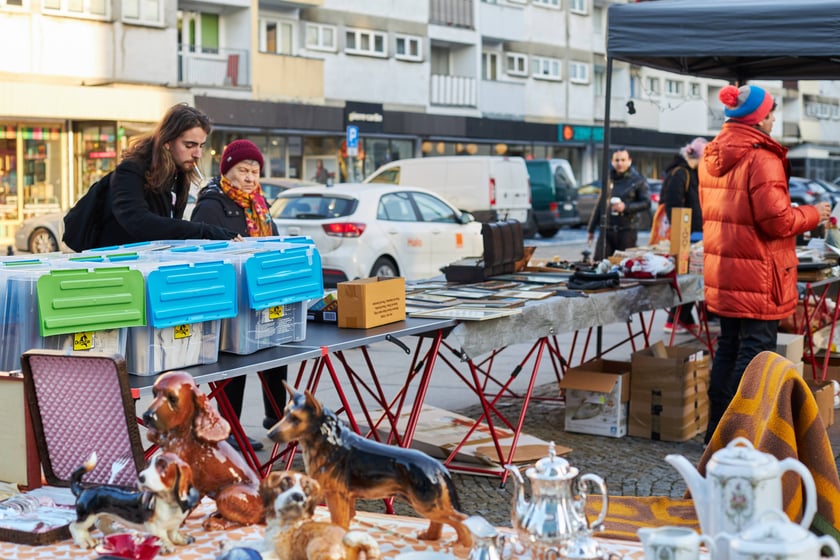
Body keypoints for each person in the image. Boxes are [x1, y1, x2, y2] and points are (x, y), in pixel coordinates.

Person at [699, 84, 831, 443]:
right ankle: (741, 439)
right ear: (758, 118)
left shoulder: (712, 154)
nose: (774, 120)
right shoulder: (761, 157)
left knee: (728, 348)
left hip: (725, 271)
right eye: (771, 113)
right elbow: (777, 222)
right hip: (758, 273)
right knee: (756, 355)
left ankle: (716, 436)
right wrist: (814, 213)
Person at [190, 139, 288, 451]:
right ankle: (229, 429)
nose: (249, 177)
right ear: (227, 171)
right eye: (243, 170)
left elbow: (273, 241)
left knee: (275, 354)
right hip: (228, 295)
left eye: (254, 171)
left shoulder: (260, 203)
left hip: (261, 292)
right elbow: (199, 251)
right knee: (235, 363)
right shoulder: (212, 204)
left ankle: (277, 418)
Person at [95, 103, 240, 248]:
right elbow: (138, 222)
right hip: (115, 257)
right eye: (189, 145)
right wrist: (205, 231)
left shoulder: (179, 174)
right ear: (167, 142)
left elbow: (170, 230)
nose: (198, 154)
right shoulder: (130, 170)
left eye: (201, 146)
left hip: (151, 256)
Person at [661, 137, 708, 334]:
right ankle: (675, 319)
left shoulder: (691, 172)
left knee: (692, 277)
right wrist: (682, 235)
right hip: (686, 236)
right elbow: (674, 207)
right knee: (690, 278)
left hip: (694, 234)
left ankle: (685, 320)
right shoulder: (681, 173)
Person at [587, 148, 651, 261]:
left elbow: (646, 203)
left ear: (629, 161)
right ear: (612, 162)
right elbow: (601, 204)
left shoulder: (638, 180)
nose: (620, 163)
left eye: (623, 160)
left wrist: (626, 207)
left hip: (627, 229)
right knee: (599, 262)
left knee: (623, 264)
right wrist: (591, 229)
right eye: (617, 160)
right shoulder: (609, 179)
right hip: (607, 229)